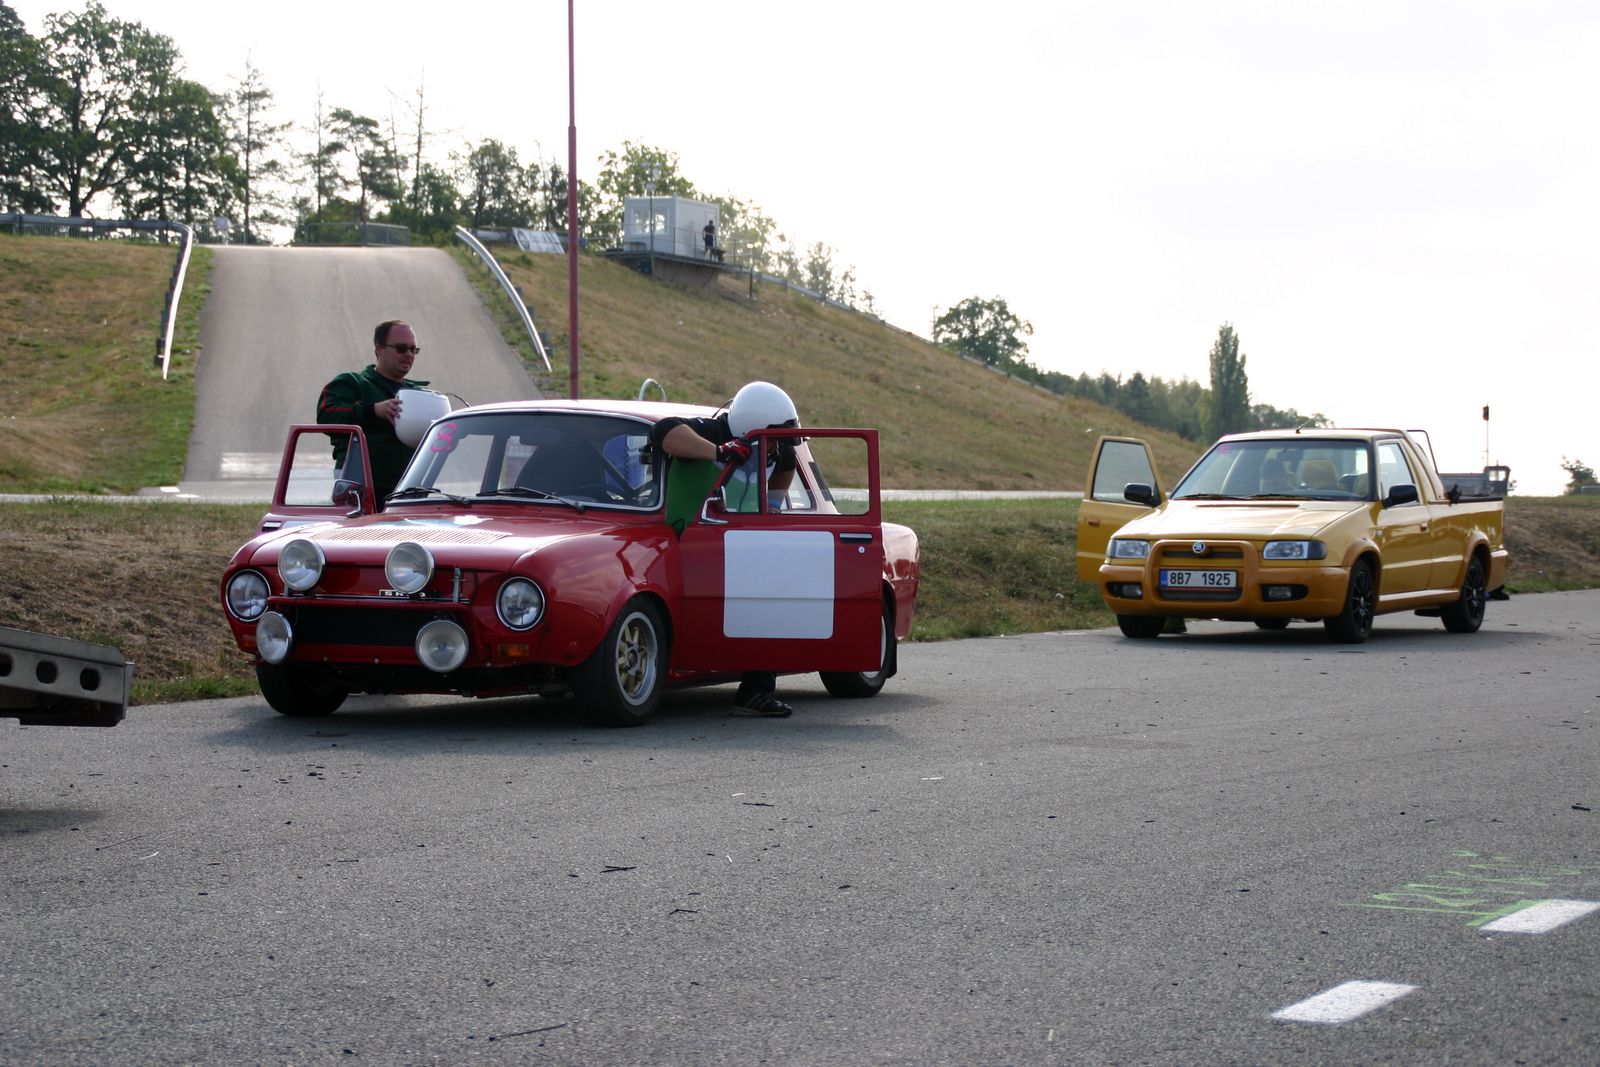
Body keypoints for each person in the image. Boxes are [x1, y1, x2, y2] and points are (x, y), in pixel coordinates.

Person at [650, 381, 801, 717]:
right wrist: (719, 452)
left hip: (739, 545)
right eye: (774, 437)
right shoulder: (713, 431)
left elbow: (780, 483)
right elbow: (663, 432)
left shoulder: (781, 453)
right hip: (686, 540)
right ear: (749, 427)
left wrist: (772, 513)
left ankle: (756, 691)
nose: (779, 446)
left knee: (767, 603)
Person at [316, 320, 430, 502]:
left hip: (407, 491)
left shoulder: (421, 395)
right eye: (401, 348)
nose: (408, 354)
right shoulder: (352, 383)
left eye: (413, 349)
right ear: (379, 348)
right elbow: (326, 416)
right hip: (360, 489)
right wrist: (372, 411)